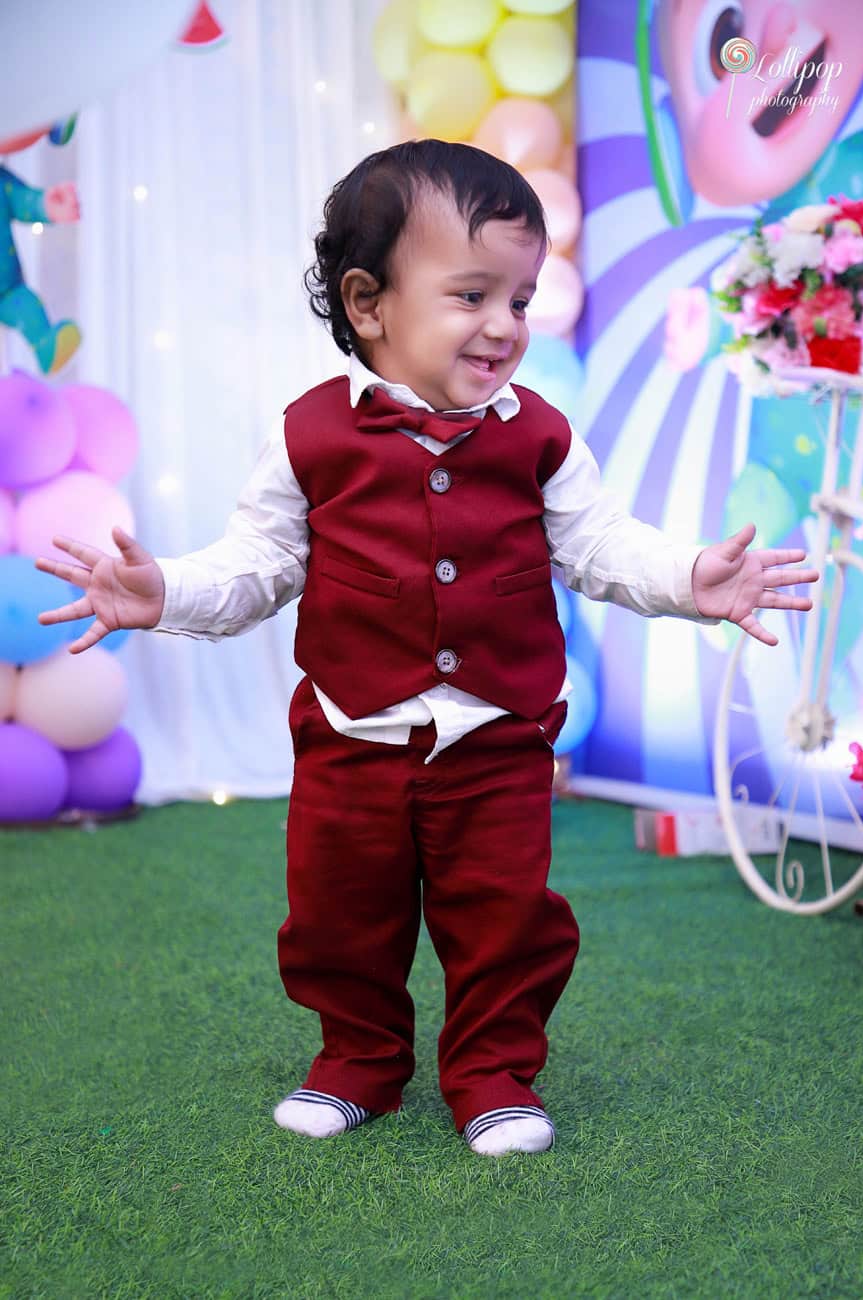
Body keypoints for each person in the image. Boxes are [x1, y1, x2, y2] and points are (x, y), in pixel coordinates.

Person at [36, 140, 817, 1158]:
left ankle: (493, 1072)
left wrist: (688, 579)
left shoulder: (540, 436)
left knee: (506, 920)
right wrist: (164, 590)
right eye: (471, 294)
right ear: (368, 305)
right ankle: (358, 1060)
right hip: (352, 739)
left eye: (521, 300)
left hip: (496, 737)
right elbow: (256, 567)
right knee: (336, 918)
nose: (503, 326)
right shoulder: (309, 436)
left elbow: (599, 546)